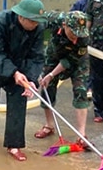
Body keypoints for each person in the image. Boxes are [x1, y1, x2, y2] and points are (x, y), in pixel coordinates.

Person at [0, 0, 46, 161]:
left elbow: (37, 56)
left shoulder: (38, 28)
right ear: (21, 17)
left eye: (38, 21)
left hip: (18, 66)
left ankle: (14, 145)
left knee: (19, 99)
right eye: (33, 21)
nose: (36, 25)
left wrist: (31, 80)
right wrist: (13, 72)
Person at [34, 11, 91, 147]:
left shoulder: (83, 38)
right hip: (53, 56)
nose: (75, 38)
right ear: (64, 25)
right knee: (47, 88)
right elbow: (37, 21)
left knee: (81, 91)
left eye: (79, 34)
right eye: (73, 33)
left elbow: (68, 62)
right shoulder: (55, 19)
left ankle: (81, 135)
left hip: (77, 62)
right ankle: (49, 125)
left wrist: (51, 74)